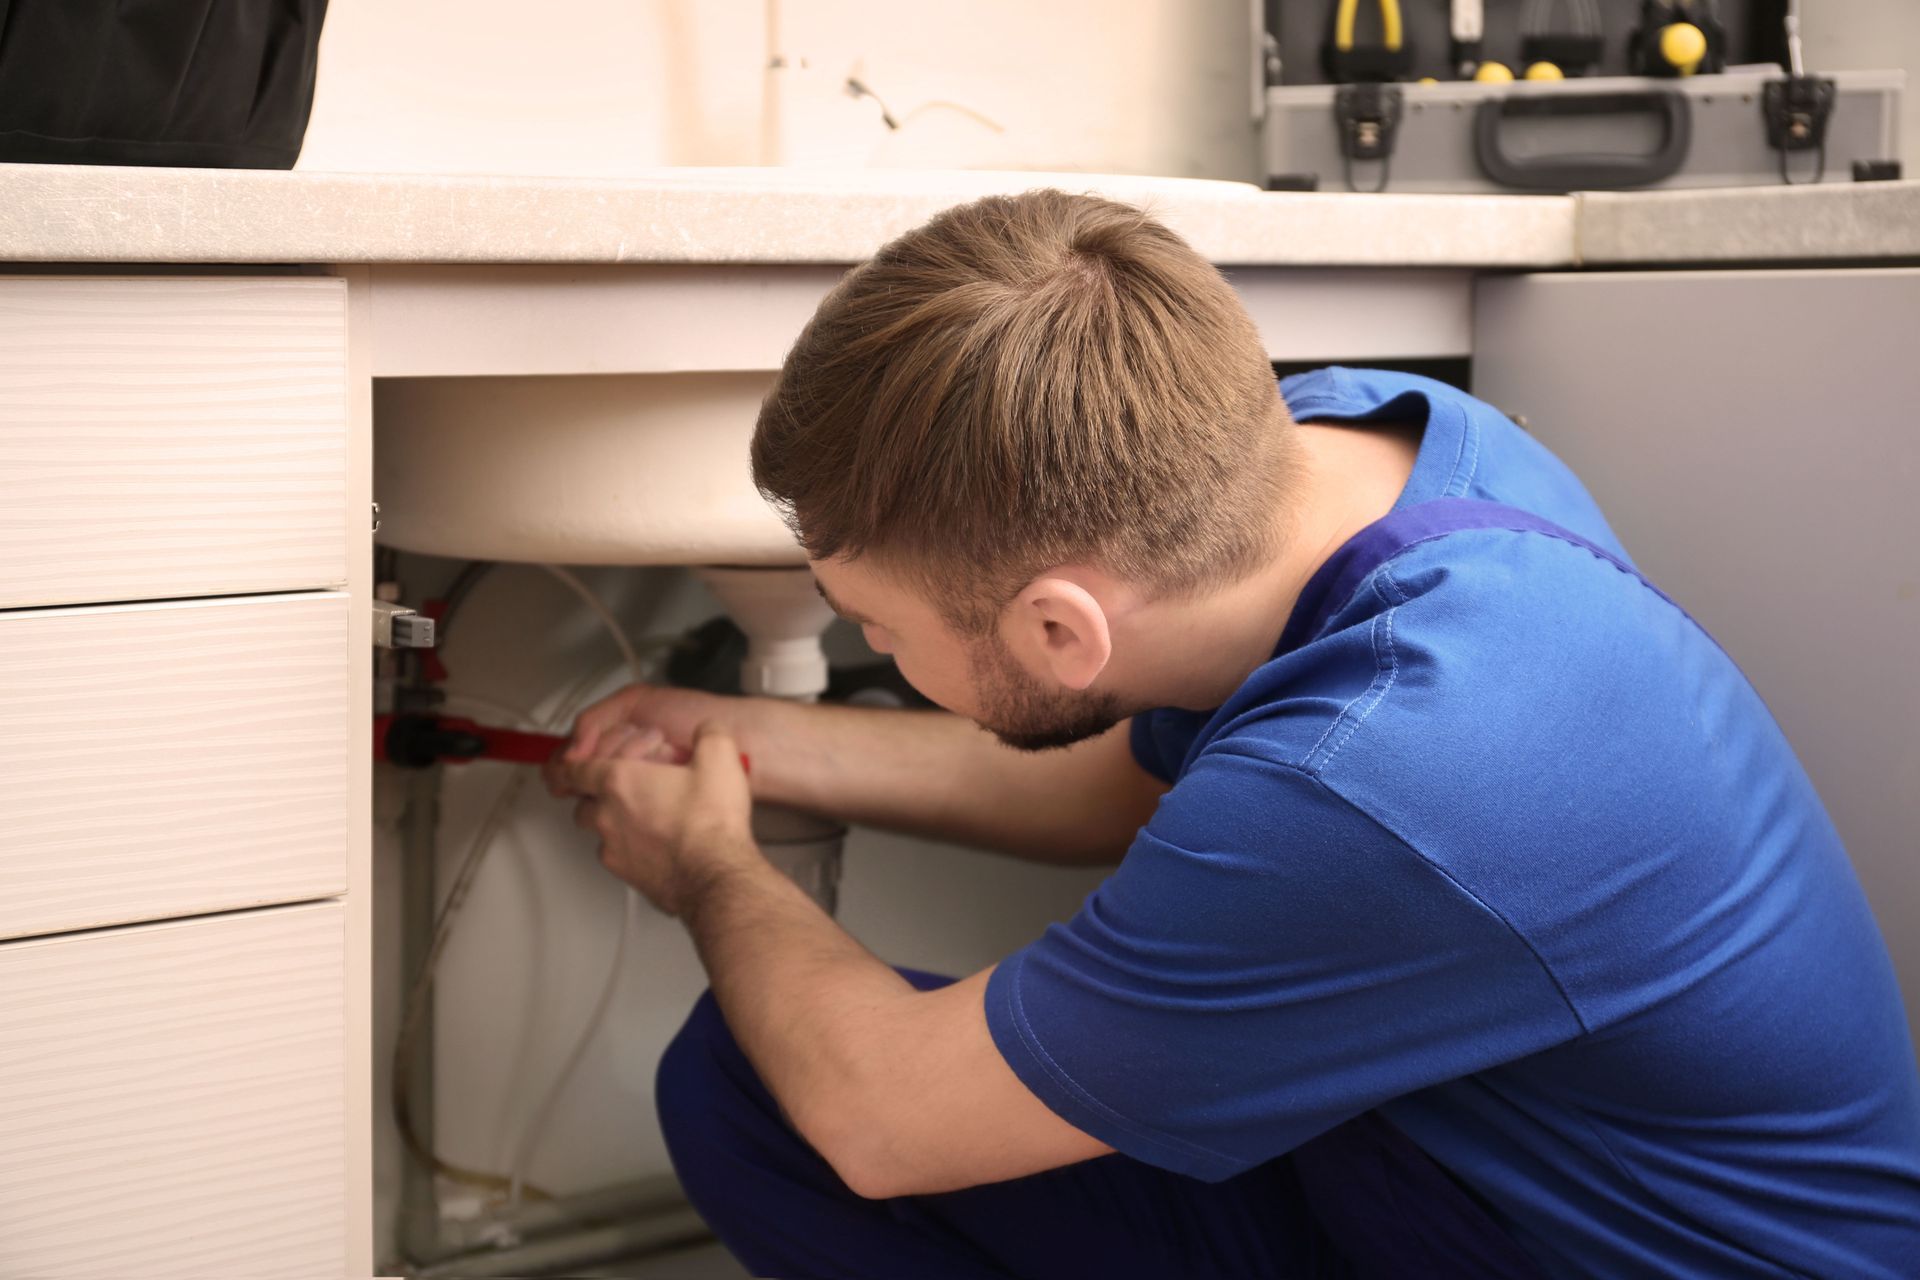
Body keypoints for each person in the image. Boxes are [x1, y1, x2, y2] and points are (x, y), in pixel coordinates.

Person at [545, 190, 1920, 1278]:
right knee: (759, 1075)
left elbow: (883, 1123)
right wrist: (758, 740)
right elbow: (1119, 779)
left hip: (1611, 1255)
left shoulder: (1379, 782)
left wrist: (712, 868)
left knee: (778, 1099)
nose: (867, 655)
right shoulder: (1364, 448)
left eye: (877, 629)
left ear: (1062, 634)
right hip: (1495, 1170)